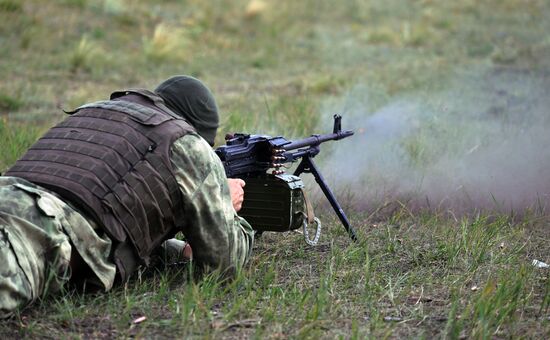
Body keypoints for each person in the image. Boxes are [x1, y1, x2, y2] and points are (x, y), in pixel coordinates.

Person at [0, 75, 254, 318]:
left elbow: (116, 215)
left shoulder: (96, 112)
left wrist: (180, 250)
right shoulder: (185, 142)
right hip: (34, 230)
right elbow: (225, 264)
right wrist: (225, 204)